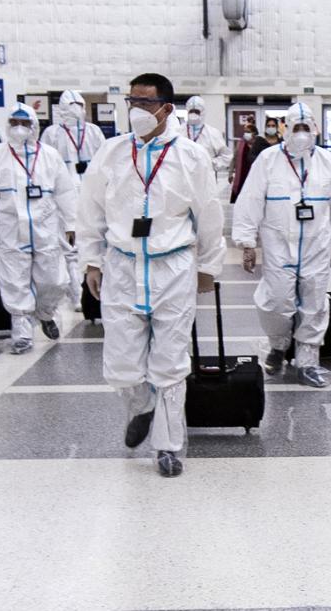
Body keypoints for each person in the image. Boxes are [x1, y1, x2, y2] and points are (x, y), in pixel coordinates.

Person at [78, 73, 225, 478]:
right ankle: (141, 404)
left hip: (173, 266)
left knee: (171, 363)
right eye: (132, 102)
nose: (137, 110)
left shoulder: (190, 156)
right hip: (122, 265)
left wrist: (209, 267)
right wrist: (92, 261)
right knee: (121, 364)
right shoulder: (110, 152)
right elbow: (89, 211)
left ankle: (168, 446)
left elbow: (209, 215)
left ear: (166, 108)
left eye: (145, 103)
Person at [231, 102, 331, 388]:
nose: (301, 133)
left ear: (315, 129)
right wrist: (247, 243)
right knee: (277, 300)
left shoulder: (327, 161)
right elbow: (250, 202)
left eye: (305, 127)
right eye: (295, 127)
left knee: (314, 302)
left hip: (316, 244)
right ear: (285, 130)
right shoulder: (268, 160)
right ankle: (278, 345)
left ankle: (309, 362)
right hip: (278, 244)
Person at [0, 102, 76, 355]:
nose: (20, 128)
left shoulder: (49, 156)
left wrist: (72, 223)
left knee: (54, 279)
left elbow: (65, 192)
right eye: (14, 123)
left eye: (25, 123)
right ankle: (21, 331)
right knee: (14, 280)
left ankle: (45, 312)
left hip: (45, 226)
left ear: (35, 126)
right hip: (11, 228)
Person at [41, 90, 107, 311]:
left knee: (94, 239)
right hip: (62, 194)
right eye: (71, 104)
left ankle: (94, 291)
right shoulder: (52, 133)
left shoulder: (94, 131)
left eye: (79, 103)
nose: (76, 107)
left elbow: (105, 160)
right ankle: (76, 295)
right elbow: (44, 164)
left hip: (90, 190)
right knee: (69, 245)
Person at [179, 95, 232, 180]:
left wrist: (209, 163)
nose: (193, 114)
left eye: (197, 111)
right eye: (191, 111)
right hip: (183, 178)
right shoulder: (178, 132)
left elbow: (227, 156)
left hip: (206, 179)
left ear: (203, 112)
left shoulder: (213, 133)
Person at [228, 122, 270, 202]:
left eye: (248, 131)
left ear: (254, 133)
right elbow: (234, 158)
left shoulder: (259, 143)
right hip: (242, 176)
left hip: (255, 176)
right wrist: (230, 173)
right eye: (244, 131)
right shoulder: (240, 143)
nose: (245, 134)